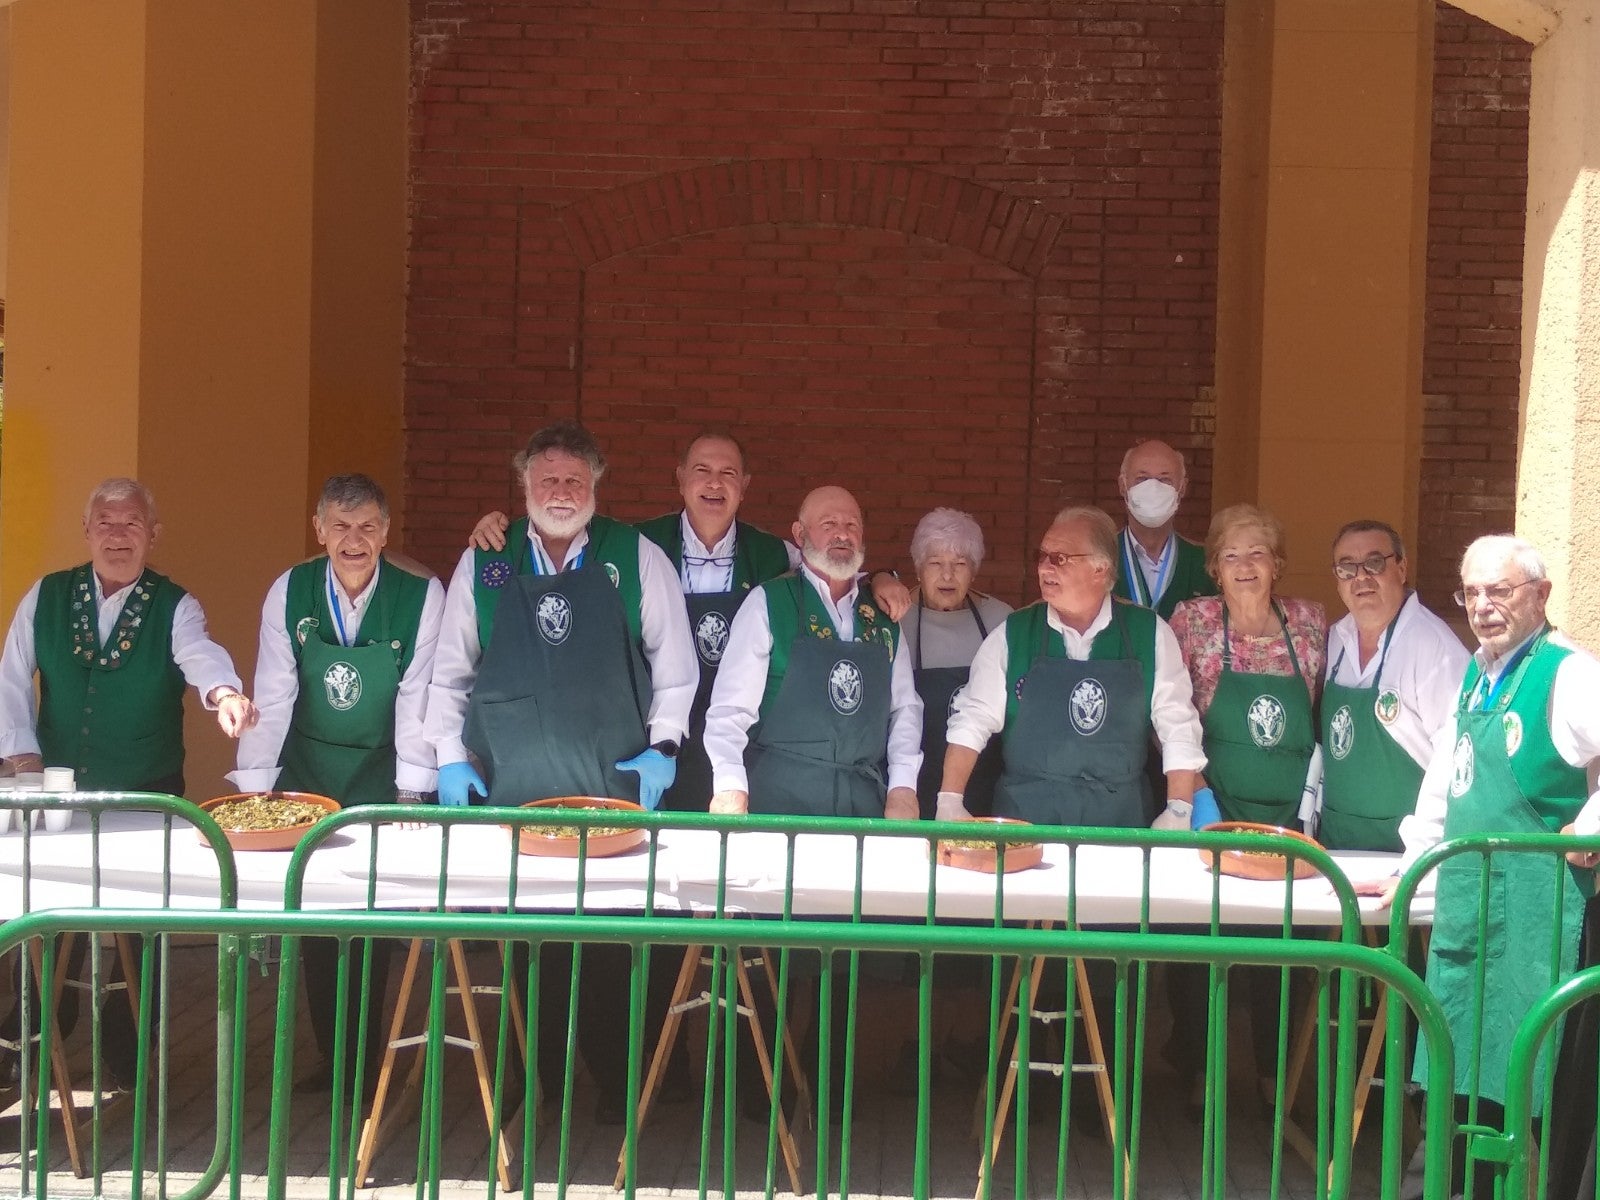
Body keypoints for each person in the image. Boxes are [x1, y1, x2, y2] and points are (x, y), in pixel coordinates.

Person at [426, 421, 697, 1124]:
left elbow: (676, 668)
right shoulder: (486, 561)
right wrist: (449, 756)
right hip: (513, 789)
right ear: (522, 487)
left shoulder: (633, 557)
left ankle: (617, 1081)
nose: (560, 491)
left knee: (608, 946)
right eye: (547, 479)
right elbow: (450, 670)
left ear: (596, 487)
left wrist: (665, 748)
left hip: (609, 788)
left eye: (574, 480)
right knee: (525, 947)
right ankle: (527, 1081)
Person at [464, 429, 910, 809]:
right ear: (679, 479)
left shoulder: (774, 554)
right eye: (702, 471)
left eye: (728, 474)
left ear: (745, 485)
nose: (714, 484)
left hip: (743, 742)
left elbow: (831, 570)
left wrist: (882, 579)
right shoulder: (640, 546)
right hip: (650, 736)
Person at [1360, 535, 1600, 1199]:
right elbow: (1444, 784)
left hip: (1538, 915)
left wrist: (1594, 821)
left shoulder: (1569, 673)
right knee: (1453, 1066)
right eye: (1472, 593)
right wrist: (1413, 865)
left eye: (1501, 590)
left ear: (1541, 595)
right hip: (1472, 908)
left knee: (1534, 1074)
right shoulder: (1476, 671)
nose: (1484, 606)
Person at [0, 477, 258, 1087]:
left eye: (132, 525)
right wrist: (23, 759)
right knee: (46, 913)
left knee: (142, 923)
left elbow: (200, 654)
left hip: (146, 793)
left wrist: (223, 692)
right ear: (88, 531)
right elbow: (11, 676)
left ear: (153, 535)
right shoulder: (47, 595)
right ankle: (30, 1039)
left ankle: (132, 1047)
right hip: (60, 793)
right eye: (107, 524)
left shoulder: (176, 604)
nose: (119, 536)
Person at [232, 473, 444, 1094]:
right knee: (320, 926)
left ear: (386, 532)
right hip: (308, 779)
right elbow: (273, 692)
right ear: (318, 530)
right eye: (341, 527)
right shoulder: (289, 592)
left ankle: (367, 1062)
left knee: (373, 923)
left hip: (382, 776)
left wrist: (412, 791)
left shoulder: (420, 595)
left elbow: (417, 698)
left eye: (368, 527)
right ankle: (336, 1060)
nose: (355, 540)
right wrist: (255, 792)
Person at [940, 505, 1205, 828]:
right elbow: (971, 719)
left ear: (1101, 569)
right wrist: (949, 801)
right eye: (1042, 556)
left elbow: (1177, 726)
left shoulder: (1149, 634)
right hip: (1025, 826)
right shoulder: (1014, 633)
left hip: (1121, 827)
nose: (1045, 568)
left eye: (1060, 559)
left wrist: (1179, 809)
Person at [704, 485, 922, 819]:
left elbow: (904, 709)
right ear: (800, 533)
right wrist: (730, 785)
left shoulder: (883, 616)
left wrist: (903, 788)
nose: (842, 535)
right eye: (829, 525)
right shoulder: (769, 603)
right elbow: (729, 710)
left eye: (852, 526)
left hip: (863, 806)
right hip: (779, 802)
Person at [1167, 503, 1326, 829]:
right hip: (1215, 810)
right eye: (1230, 556)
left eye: (1257, 553)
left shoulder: (1310, 623)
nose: (1244, 565)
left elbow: (1323, 709)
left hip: (1295, 818)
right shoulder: (1193, 621)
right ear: (1216, 569)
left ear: (1276, 564)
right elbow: (1166, 716)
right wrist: (1198, 797)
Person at [1317, 520, 1467, 851]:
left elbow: (1458, 755)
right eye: (1347, 568)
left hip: (1406, 853)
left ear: (1401, 568)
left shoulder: (1434, 646)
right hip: (1336, 843)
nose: (1361, 577)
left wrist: (1423, 850)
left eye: (1374, 563)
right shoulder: (1333, 641)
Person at [901, 509, 1012, 820]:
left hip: (986, 781)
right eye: (936, 563)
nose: (947, 576)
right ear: (918, 568)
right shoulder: (897, 619)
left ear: (974, 571)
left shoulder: (1000, 620)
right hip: (915, 783)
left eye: (960, 565)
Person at [1111, 439, 1216, 619]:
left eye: (1164, 479)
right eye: (1142, 478)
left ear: (1182, 488)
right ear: (1123, 485)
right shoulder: (1099, 556)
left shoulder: (1206, 563)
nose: (1153, 488)